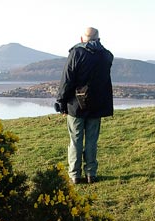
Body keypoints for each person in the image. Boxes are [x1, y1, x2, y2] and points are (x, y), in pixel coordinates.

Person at [55, 27, 114, 185]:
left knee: (75, 139)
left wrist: (60, 101)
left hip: (76, 104)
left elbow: (67, 79)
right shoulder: (107, 55)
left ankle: (75, 175)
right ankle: (91, 174)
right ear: (98, 38)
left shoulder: (76, 53)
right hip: (97, 104)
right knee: (92, 140)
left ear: (82, 39)